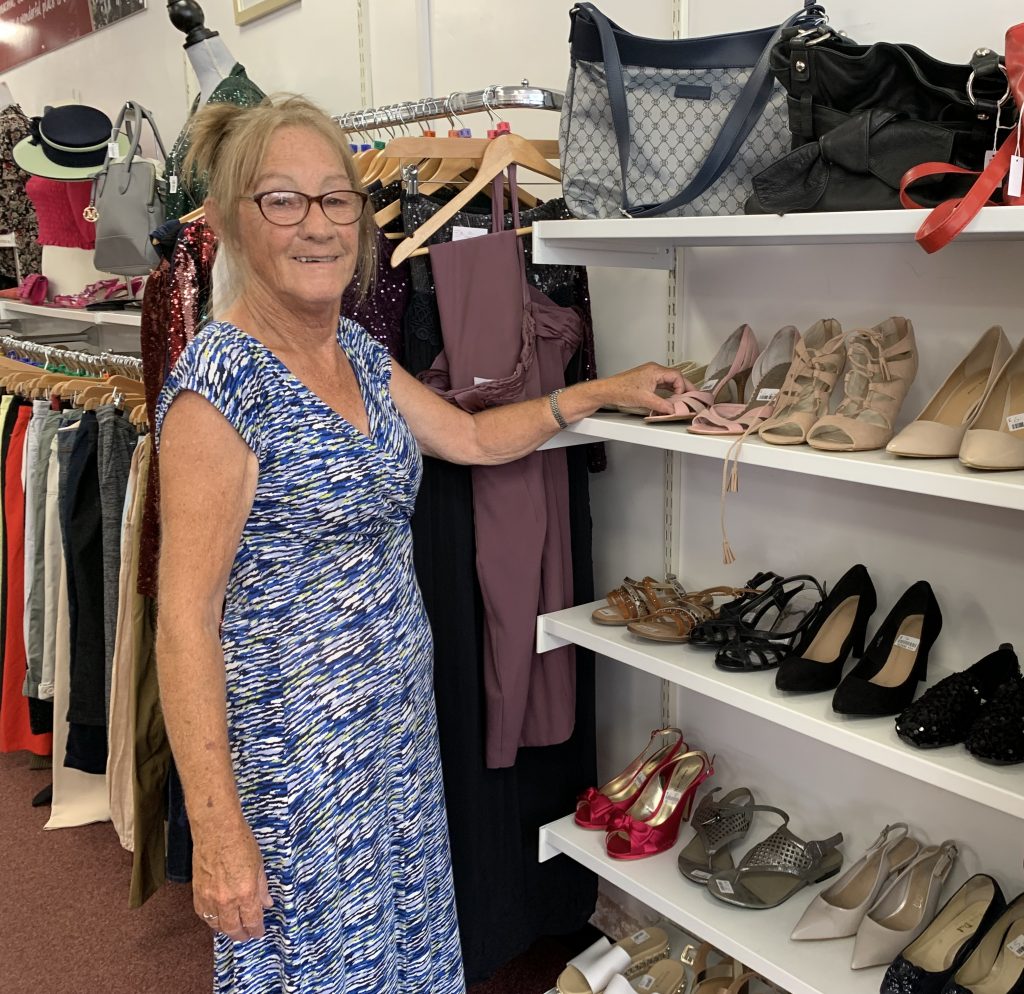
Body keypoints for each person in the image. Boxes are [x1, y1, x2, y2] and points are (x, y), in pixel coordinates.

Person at [155, 93, 686, 994]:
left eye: (336, 199)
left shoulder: (353, 352)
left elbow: (471, 439)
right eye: (284, 200)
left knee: (407, 957)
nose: (317, 225)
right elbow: (183, 620)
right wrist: (216, 831)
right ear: (238, 224)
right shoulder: (219, 386)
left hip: (395, 733)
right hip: (298, 764)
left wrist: (599, 394)